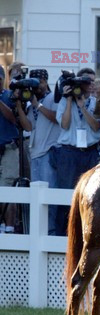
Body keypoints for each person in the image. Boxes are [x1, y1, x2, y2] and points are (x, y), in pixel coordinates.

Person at [55, 67, 100, 235]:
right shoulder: (64, 101)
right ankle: (62, 234)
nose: (90, 84)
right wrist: (69, 100)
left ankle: (86, 232)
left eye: (92, 81)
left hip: (89, 152)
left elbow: (97, 126)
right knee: (66, 193)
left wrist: (83, 107)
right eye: (86, 81)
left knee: (90, 194)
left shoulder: (97, 102)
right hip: (69, 152)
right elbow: (65, 124)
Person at [26, 69, 61, 235]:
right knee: (36, 197)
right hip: (34, 153)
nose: (37, 86)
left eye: (39, 82)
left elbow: (56, 118)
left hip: (48, 152)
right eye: (34, 82)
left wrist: (37, 105)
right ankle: (38, 232)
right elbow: (27, 126)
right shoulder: (32, 101)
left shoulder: (52, 98)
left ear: (45, 82)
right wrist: (20, 104)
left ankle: (51, 233)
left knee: (49, 196)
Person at [0, 65, 20, 234]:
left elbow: (13, 119)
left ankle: (9, 227)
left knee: (8, 187)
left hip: (8, 148)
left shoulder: (9, 96)